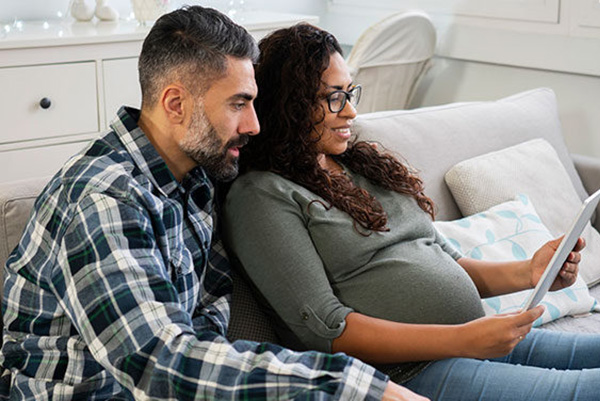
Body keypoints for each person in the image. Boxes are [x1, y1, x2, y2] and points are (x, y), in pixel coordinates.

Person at [0, 7, 422, 400]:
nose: (253, 124)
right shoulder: (102, 201)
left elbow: (204, 329)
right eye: (238, 104)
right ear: (176, 105)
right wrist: (348, 385)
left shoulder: (197, 178)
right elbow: (160, 362)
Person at [223, 23, 600, 400]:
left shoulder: (360, 166)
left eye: (349, 93)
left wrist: (529, 272)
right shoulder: (262, 195)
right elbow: (327, 331)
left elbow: (446, 261)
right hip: (406, 373)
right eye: (333, 97)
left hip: (472, 342)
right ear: (288, 103)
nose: (351, 111)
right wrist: (463, 339)